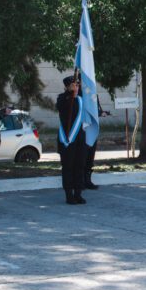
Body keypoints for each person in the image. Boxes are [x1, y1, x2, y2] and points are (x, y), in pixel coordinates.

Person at [57, 75, 88, 204]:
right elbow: (61, 106)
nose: (76, 87)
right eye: (73, 85)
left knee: (80, 166)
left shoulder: (81, 100)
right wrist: (69, 94)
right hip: (67, 139)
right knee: (68, 167)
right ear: (67, 87)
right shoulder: (62, 98)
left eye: (77, 85)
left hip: (80, 138)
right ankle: (69, 194)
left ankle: (78, 193)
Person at [82, 98, 110, 190]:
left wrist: (101, 113)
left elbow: (96, 110)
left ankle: (88, 180)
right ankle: (81, 181)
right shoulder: (79, 95)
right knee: (83, 156)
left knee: (90, 157)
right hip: (83, 130)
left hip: (92, 130)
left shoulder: (93, 94)